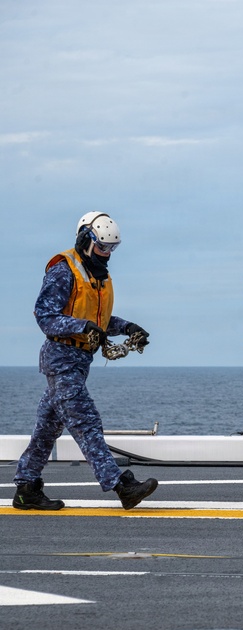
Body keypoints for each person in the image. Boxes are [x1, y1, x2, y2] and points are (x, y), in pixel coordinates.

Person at [13, 212, 157, 511]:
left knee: (47, 429)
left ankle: (26, 489)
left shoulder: (96, 277)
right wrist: (80, 327)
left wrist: (128, 327)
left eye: (111, 249)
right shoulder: (63, 270)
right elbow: (46, 316)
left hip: (79, 361)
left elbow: (98, 319)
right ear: (85, 240)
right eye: (102, 247)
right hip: (61, 359)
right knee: (86, 422)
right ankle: (121, 486)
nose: (106, 254)